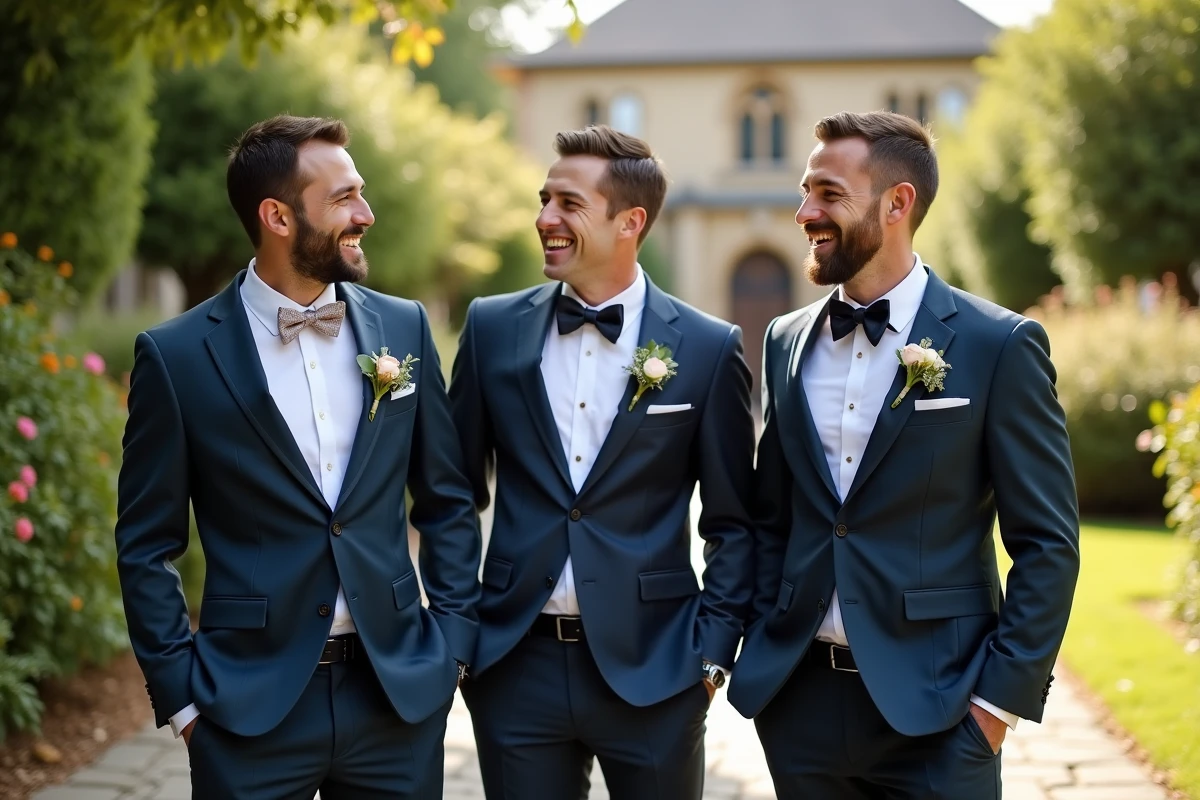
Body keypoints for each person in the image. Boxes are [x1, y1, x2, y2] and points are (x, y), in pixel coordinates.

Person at [114, 114, 480, 798]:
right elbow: (145, 544)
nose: (364, 214)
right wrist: (186, 702)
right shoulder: (176, 356)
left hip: (395, 698)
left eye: (360, 192)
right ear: (277, 216)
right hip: (246, 710)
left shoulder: (404, 328)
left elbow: (448, 499)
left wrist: (450, 653)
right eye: (343, 198)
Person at [728, 110, 1080, 799]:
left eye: (828, 193)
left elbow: (1048, 543)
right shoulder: (784, 340)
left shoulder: (998, 344)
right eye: (806, 190)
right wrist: (761, 654)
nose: (804, 211)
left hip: (942, 715)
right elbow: (773, 515)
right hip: (800, 711)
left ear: (898, 203)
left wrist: (995, 707)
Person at [449, 124, 756, 799]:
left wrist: (709, 656)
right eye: (544, 199)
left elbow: (735, 521)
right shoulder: (491, 328)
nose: (544, 219)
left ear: (630, 221)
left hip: (658, 669)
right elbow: (451, 493)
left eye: (568, 204)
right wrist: (460, 632)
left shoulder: (707, 349)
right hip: (513, 664)